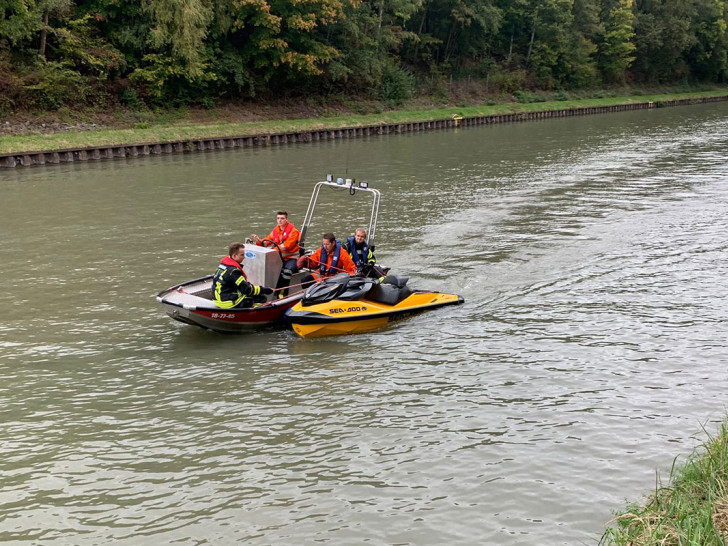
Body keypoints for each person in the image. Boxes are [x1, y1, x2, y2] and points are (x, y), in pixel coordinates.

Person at [251, 211, 300, 297]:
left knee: (287, 271)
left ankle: (283, 293)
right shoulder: (276, 230)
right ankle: (269, 290)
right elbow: (267, 241)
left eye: (282, 218)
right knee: (269, 269)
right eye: (278, 218)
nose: (280, 220)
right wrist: (259, 241)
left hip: (292, 257)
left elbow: (287, 246)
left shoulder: (294, 232)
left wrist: (273, 250)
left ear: (286, 219)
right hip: (279, 257)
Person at [212, 242, 274, 308]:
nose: (244, 257)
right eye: (242, 255)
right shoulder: (234, 271)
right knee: (261, 298)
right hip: (227, 302)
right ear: (234, 256)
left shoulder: (223, 265)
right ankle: (254, 314)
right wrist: (265, 290)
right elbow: (247, 289)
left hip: (218, 299)